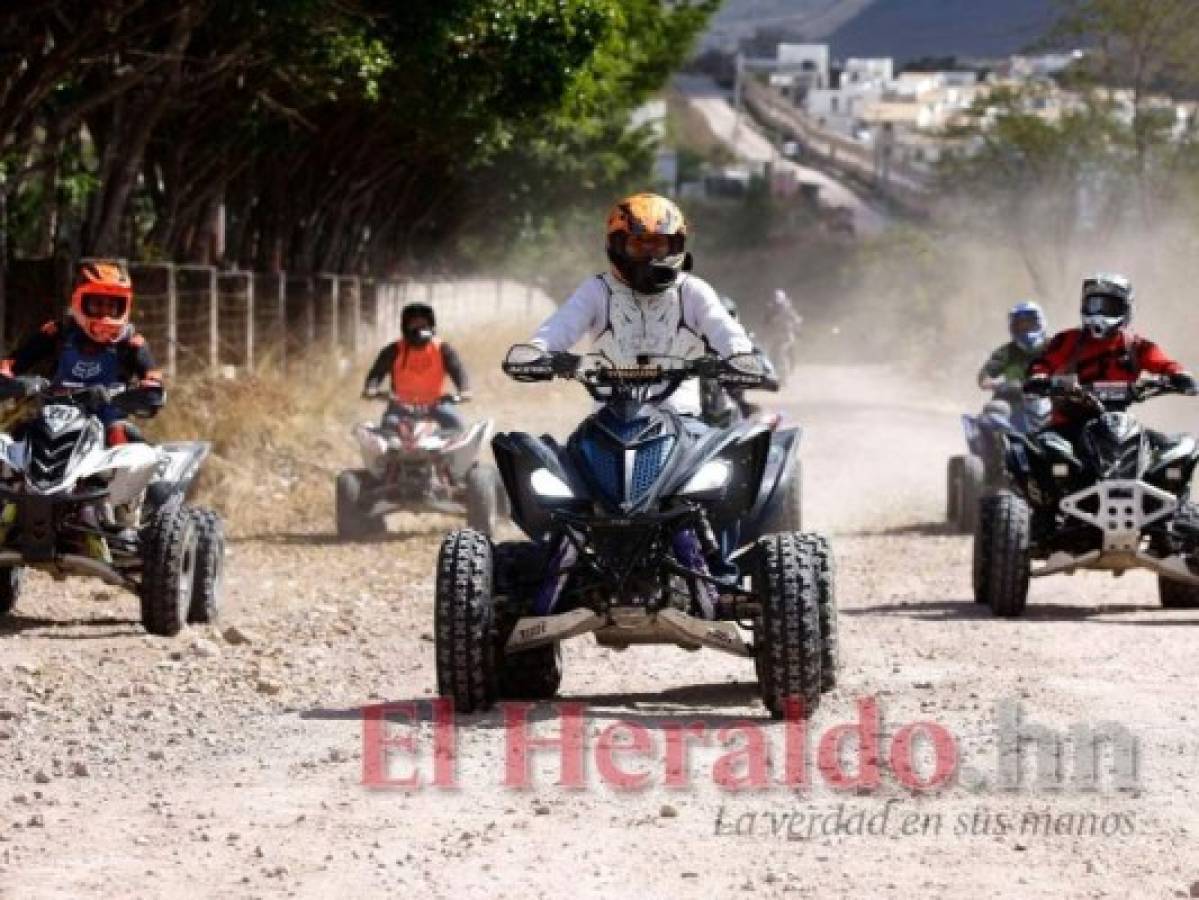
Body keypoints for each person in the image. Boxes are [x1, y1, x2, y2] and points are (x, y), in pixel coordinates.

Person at [526, 193, 760, 579]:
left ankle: (721, 570)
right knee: (561, 487)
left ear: (677, 246)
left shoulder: (693, 291)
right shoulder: (596, 291)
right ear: (618, 246)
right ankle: (553, 576)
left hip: (683, 420)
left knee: (728, 472)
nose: (651, 254)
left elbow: (724, 329)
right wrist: (537, 353)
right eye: (640, 243)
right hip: (607, 418)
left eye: (660, 243)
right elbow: (558, 328)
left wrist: (739, 356)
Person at [0, 259, 164, 445]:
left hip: (107, 424)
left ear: (124, 307)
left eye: (112, 306)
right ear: (79, 302)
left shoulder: (132, 343)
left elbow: (153, 383)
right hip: (52, 421)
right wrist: (9, 381)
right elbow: (13, 363)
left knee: (123, 436)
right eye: (97, 304)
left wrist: (147, 393)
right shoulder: (59, 333)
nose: (105, 314)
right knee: (14, 440)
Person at [1026, 273, 1197, 444]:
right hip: (1069, 426)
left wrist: (1180, 375)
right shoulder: (1067, 340)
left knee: (1174, 452)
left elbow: (1163, 363)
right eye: (1094, 305)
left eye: (1108, 306)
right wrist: (1038, 377)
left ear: (1125, 309)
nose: (1099, 313)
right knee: (1038, 452)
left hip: (1119, 427)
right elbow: (1045, 363)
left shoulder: (1136, 346)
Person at [363, 302, 471, 435]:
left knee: (457, 426)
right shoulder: (393, 350)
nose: (419, 329)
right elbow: (376, 374)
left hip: (436, 404)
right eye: (414, 324)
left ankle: (441, 447)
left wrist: (464, 390)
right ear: (405, 327)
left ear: (431, 326)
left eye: (423, 324)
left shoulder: (442, 349)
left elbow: (458, 370)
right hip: (400, 405)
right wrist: (371, 388)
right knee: (388, 427)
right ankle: (392, 453)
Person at [973, 301, 1050, 482]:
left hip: (1051, 399)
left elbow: (1074, 367)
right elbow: (985, 374)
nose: (1026, 329)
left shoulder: (1055, 347)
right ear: (1013, 328)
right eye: (1020, 325)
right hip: (1012, 402)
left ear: (1040, 323)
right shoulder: (1007, 352)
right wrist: (990, 383)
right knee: (993, 413)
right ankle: (994, 468)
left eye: (1030, 323)